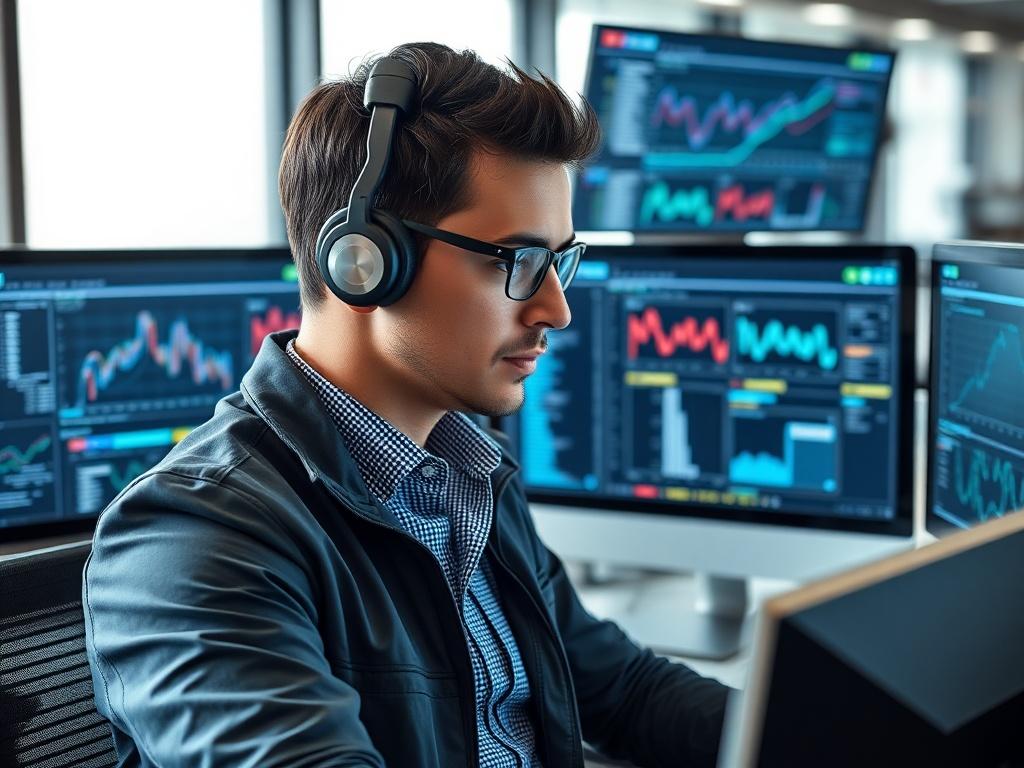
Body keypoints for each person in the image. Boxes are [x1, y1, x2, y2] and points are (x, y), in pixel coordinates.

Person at [83, 42, 731, 768]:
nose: (557, 309)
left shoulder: (471, 478)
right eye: (516, 262)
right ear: (363, 263)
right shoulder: (195, 537)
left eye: (559, 262)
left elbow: (628, 692)